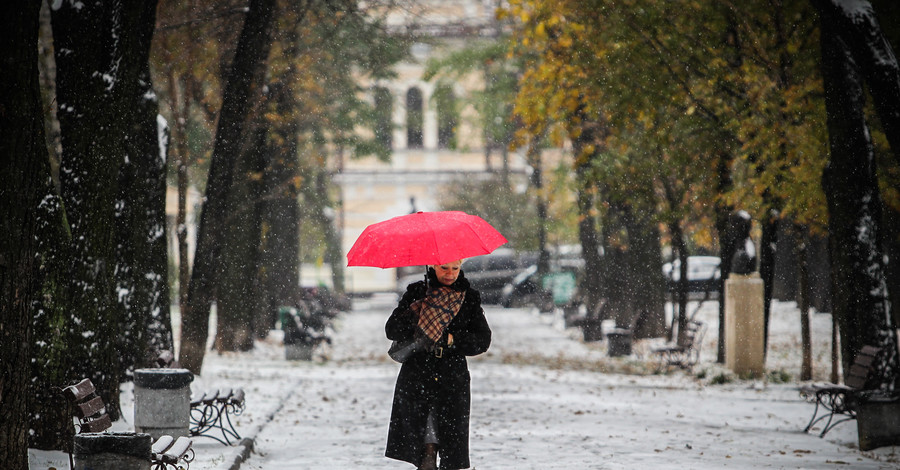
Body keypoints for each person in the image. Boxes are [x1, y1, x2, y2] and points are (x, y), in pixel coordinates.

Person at [385, 260, 492, 470]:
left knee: (451, 449)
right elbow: (392, 330)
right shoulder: (417, 292)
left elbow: (482, 340)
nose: (450, 274)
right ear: (433, 265)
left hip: (452, 379)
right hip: (418, 377)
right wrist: (416, 313)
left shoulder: (468, 296)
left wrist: (452, 339)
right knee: (425, 447)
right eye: (444, 267)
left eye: (455, 268)